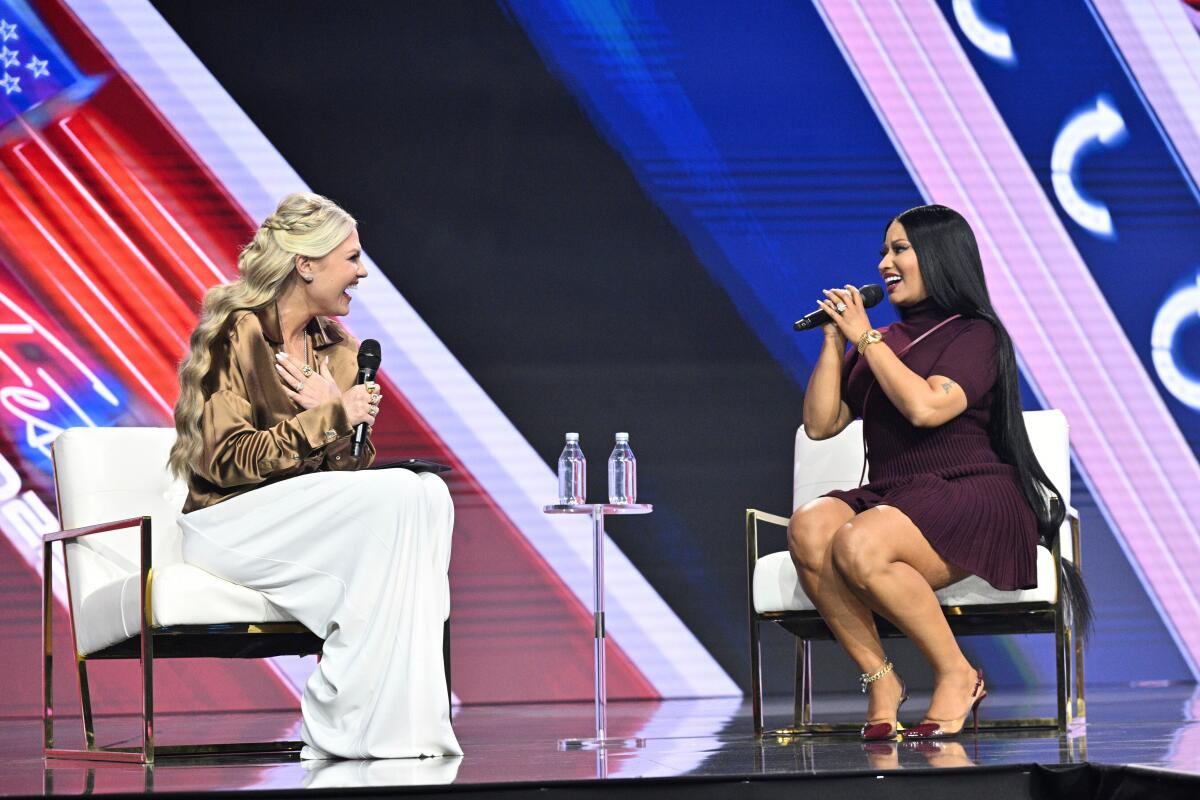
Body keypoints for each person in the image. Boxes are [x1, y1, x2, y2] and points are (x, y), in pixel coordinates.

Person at [169, 192, 461, 760]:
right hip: (228, 524)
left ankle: (400, 727)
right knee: (403, 493)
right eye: (351, 258)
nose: (362, 271)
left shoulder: (341, 351)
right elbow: (224, 461)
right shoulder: (238, 333)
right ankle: (338, 716)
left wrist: (337, 419)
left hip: (302, 521)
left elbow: (347, 472)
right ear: (306, 264)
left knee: (428, 494)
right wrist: (330, 416)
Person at [788, 204, 1089, 741]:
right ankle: (881, 680)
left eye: (899, 249)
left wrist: (867, 339)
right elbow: (820, 424)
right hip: (896, 492)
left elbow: (926, 408)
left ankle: (958, 674)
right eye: (884, 251)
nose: (884, 263)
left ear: (940, 256)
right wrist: (836, 342)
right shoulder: (880, 340)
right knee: (809, 525)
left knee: (859, 542)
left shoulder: (975, 334)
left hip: (970, 490)